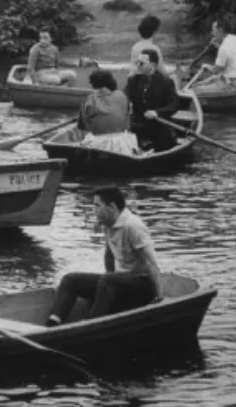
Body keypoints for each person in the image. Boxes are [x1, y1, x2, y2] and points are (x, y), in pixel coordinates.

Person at [45, 187, 162, 325]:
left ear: (111, 207)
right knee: (71, 279)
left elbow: (152, 263)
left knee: (108, 279)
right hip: (120, 283)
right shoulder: (107, 224)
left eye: (97, 206)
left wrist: (159, 298)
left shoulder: (133, 226)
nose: (94, 211)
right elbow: (109, 253)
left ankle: (92, 323)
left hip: (142, 287)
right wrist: (105, 288)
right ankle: (53, 322)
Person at [125, 49, 180, 153]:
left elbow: (174, 104)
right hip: (138, 125)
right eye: (137, 62)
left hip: (159, 125)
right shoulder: (132, 81)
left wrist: (157, 112)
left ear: (153, 65)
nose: (138, 65)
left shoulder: (166, 82)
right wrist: (127, 106)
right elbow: (125, 98)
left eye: (141, 63)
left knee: (164, 141)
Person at [78, 69, 140, 155]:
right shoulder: (122, 95)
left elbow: (82, 127)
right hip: (124, 141)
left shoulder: (90, 100)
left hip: (100, 143)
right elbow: (127, 119)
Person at [193, 14, 236, 91]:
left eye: (213, 30)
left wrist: (206, 66)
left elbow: (216, 70)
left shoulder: (224, 47)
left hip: (231, 83)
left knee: (196, 89)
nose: (212, 33)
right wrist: (219, 47)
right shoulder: (233, 39)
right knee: (202, 83)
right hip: (231, 78)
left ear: (220, 30)